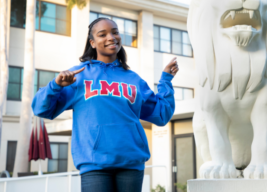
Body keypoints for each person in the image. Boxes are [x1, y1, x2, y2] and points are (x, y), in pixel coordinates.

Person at [32, 17, 179, 192]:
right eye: (103, 34)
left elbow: (161, 114)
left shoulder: (133, 79)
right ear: (92, 43)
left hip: (131, 163)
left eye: (115, 32)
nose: (111, 37)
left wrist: (166, 79)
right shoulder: (78, 75)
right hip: (94, 165)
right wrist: (55, 86)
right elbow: (41, 109)